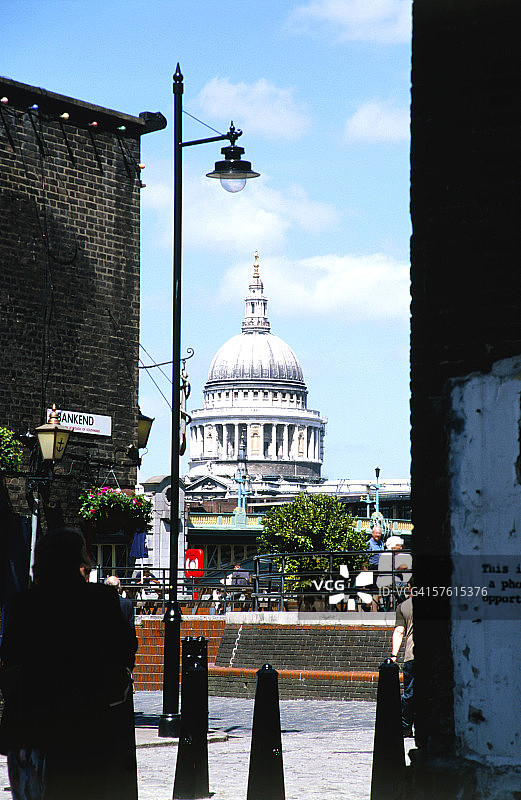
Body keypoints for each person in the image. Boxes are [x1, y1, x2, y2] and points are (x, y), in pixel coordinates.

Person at [0, 528, 138, 800]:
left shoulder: (25, 604)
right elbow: (124, 656)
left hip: (33, 724)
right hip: (88, 724)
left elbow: (10, 660)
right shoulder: (104, 601)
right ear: (81, 562)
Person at [391, 583, 415, 738]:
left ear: (409, 586)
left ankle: (405, 727)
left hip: (411, 655)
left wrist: (393, 656)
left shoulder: (403, 606)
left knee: (409, 693)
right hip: (434, 655)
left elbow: (399, 631)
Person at [105, 575, 138, 670]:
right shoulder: (127, 604)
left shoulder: (99, 603)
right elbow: (131, 628)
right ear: (119, 588)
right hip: (122, 649)